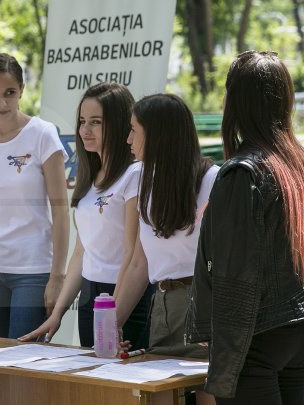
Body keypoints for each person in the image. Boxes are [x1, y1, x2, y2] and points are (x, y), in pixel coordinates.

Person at [186, 51, 304, 404]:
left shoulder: (243, 173)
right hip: (301, 328)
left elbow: (234, 274)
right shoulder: (303, 164)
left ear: (237, 101)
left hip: (258, 336)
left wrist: (223, 348)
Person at [19, 82, 151, 349]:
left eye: (96, 122)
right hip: (91, 296)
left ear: (118, 124)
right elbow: (82, 252)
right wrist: (57, 315)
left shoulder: (135, 174)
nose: (84, 131)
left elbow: (132, 252)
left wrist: (115, 315)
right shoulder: (88, 175)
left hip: (126, 295)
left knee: (124, 385)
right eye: (82, 121)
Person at [115, 93, 218, 405]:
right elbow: (139, 264)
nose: (128, 138)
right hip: (163, 305)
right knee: (157, 396)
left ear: (157, 133)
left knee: (208, 393)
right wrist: (112, 323)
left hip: (205, 306)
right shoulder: (144, 179)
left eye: (134, 129)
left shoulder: (213, 179)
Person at [0, 53, 70, 339]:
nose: (2, 102)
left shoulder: (43, 135)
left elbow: (60, 211)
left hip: (33, 269)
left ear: (22, 89)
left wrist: (57, 277)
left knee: (24, 361)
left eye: (10, 93)